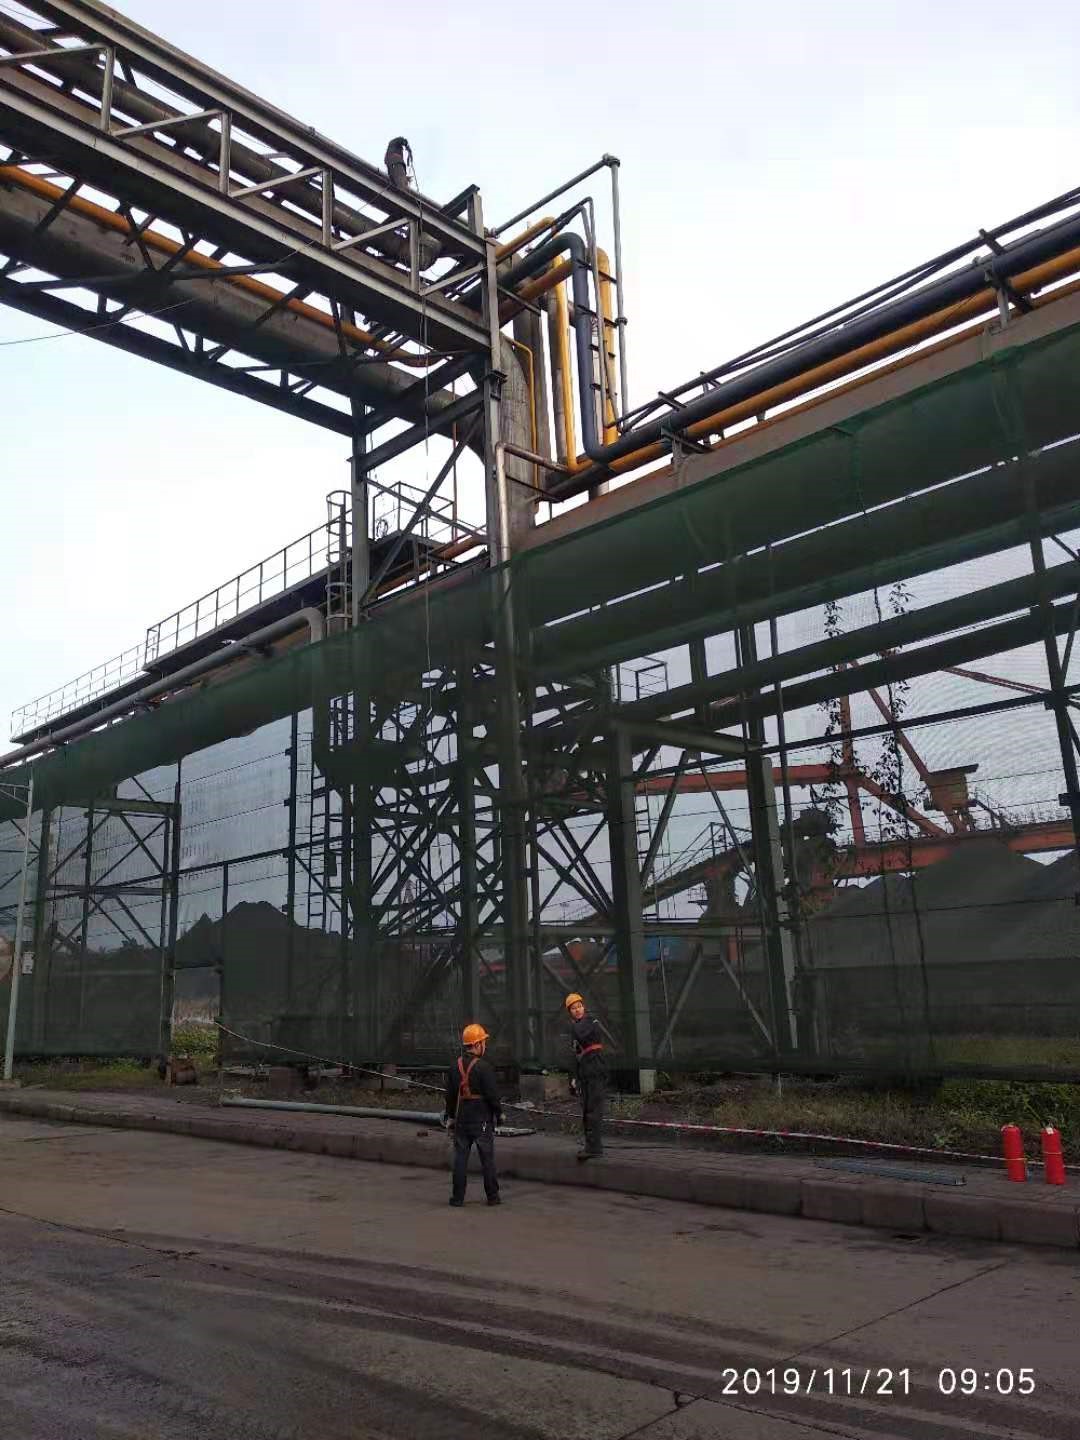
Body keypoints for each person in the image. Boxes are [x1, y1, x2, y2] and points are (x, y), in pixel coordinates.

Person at [443, 1023, 502, 1207]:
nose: (485, 1046)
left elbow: (450, 1096)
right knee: (487, 1159)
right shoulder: (484, 1067)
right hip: (481, 1118)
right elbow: (492, 1095)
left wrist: (451, 1117)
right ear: (477, 1044)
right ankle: (493, 1196)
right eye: (483, 1042)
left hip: (461, 1118)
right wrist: (499, 1114)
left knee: (460, 1158)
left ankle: (457, 1198)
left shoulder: (454, 1067)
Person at [565, 992, 606, 1160]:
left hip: (594, 1068)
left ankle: (594, 1148)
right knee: (587, 1109)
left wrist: (573, 1027)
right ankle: (591, 1145)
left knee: (593, 1109)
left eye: (579, 1006)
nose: (577, 1010)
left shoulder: (590, 1022)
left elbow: (582, 1033)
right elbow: (575, 1055)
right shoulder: (577, 1027)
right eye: (573, 1008)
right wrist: (573, 1078)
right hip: (585, 1070)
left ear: (584, 1007)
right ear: (569, 1012)